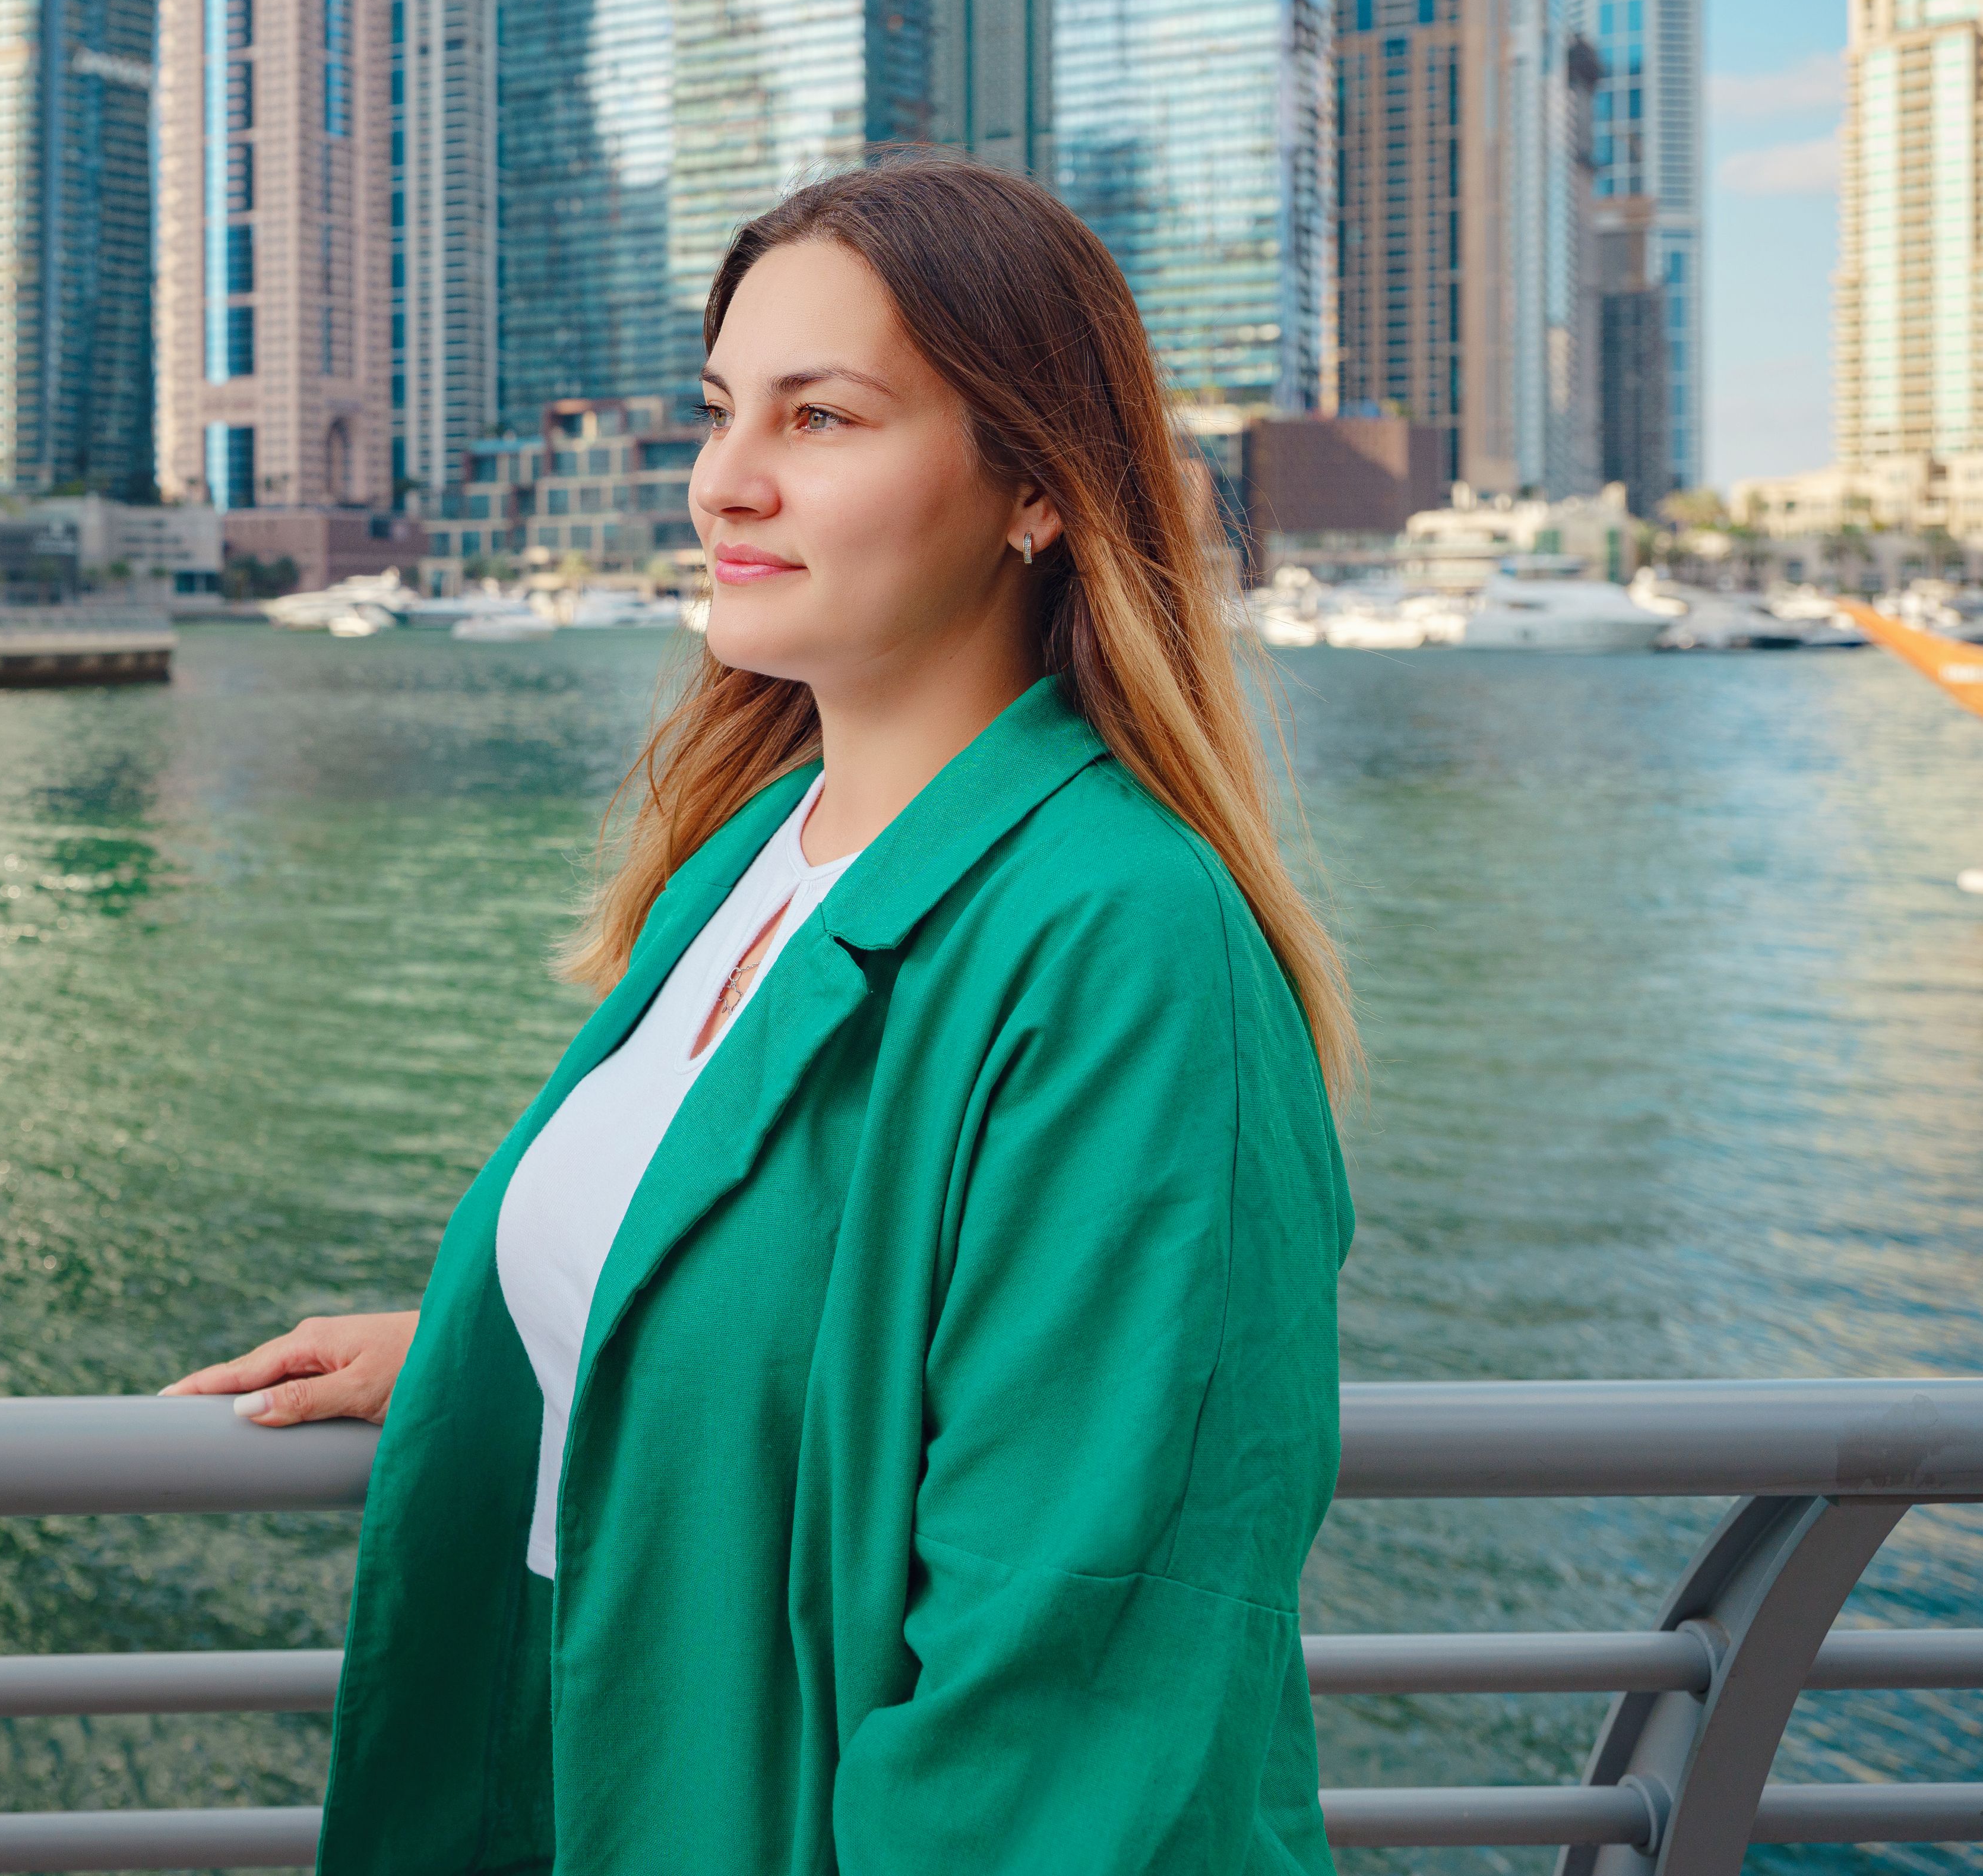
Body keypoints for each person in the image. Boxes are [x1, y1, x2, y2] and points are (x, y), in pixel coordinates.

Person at [168, 155, 1358, 1873]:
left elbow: (1062, 1689)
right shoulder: (748, 860)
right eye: (722, 412)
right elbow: (780, 1290)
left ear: (1035, 486)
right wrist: (533, 1346)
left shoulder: (1128, 947)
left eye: (823, 421)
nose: (725, 482)